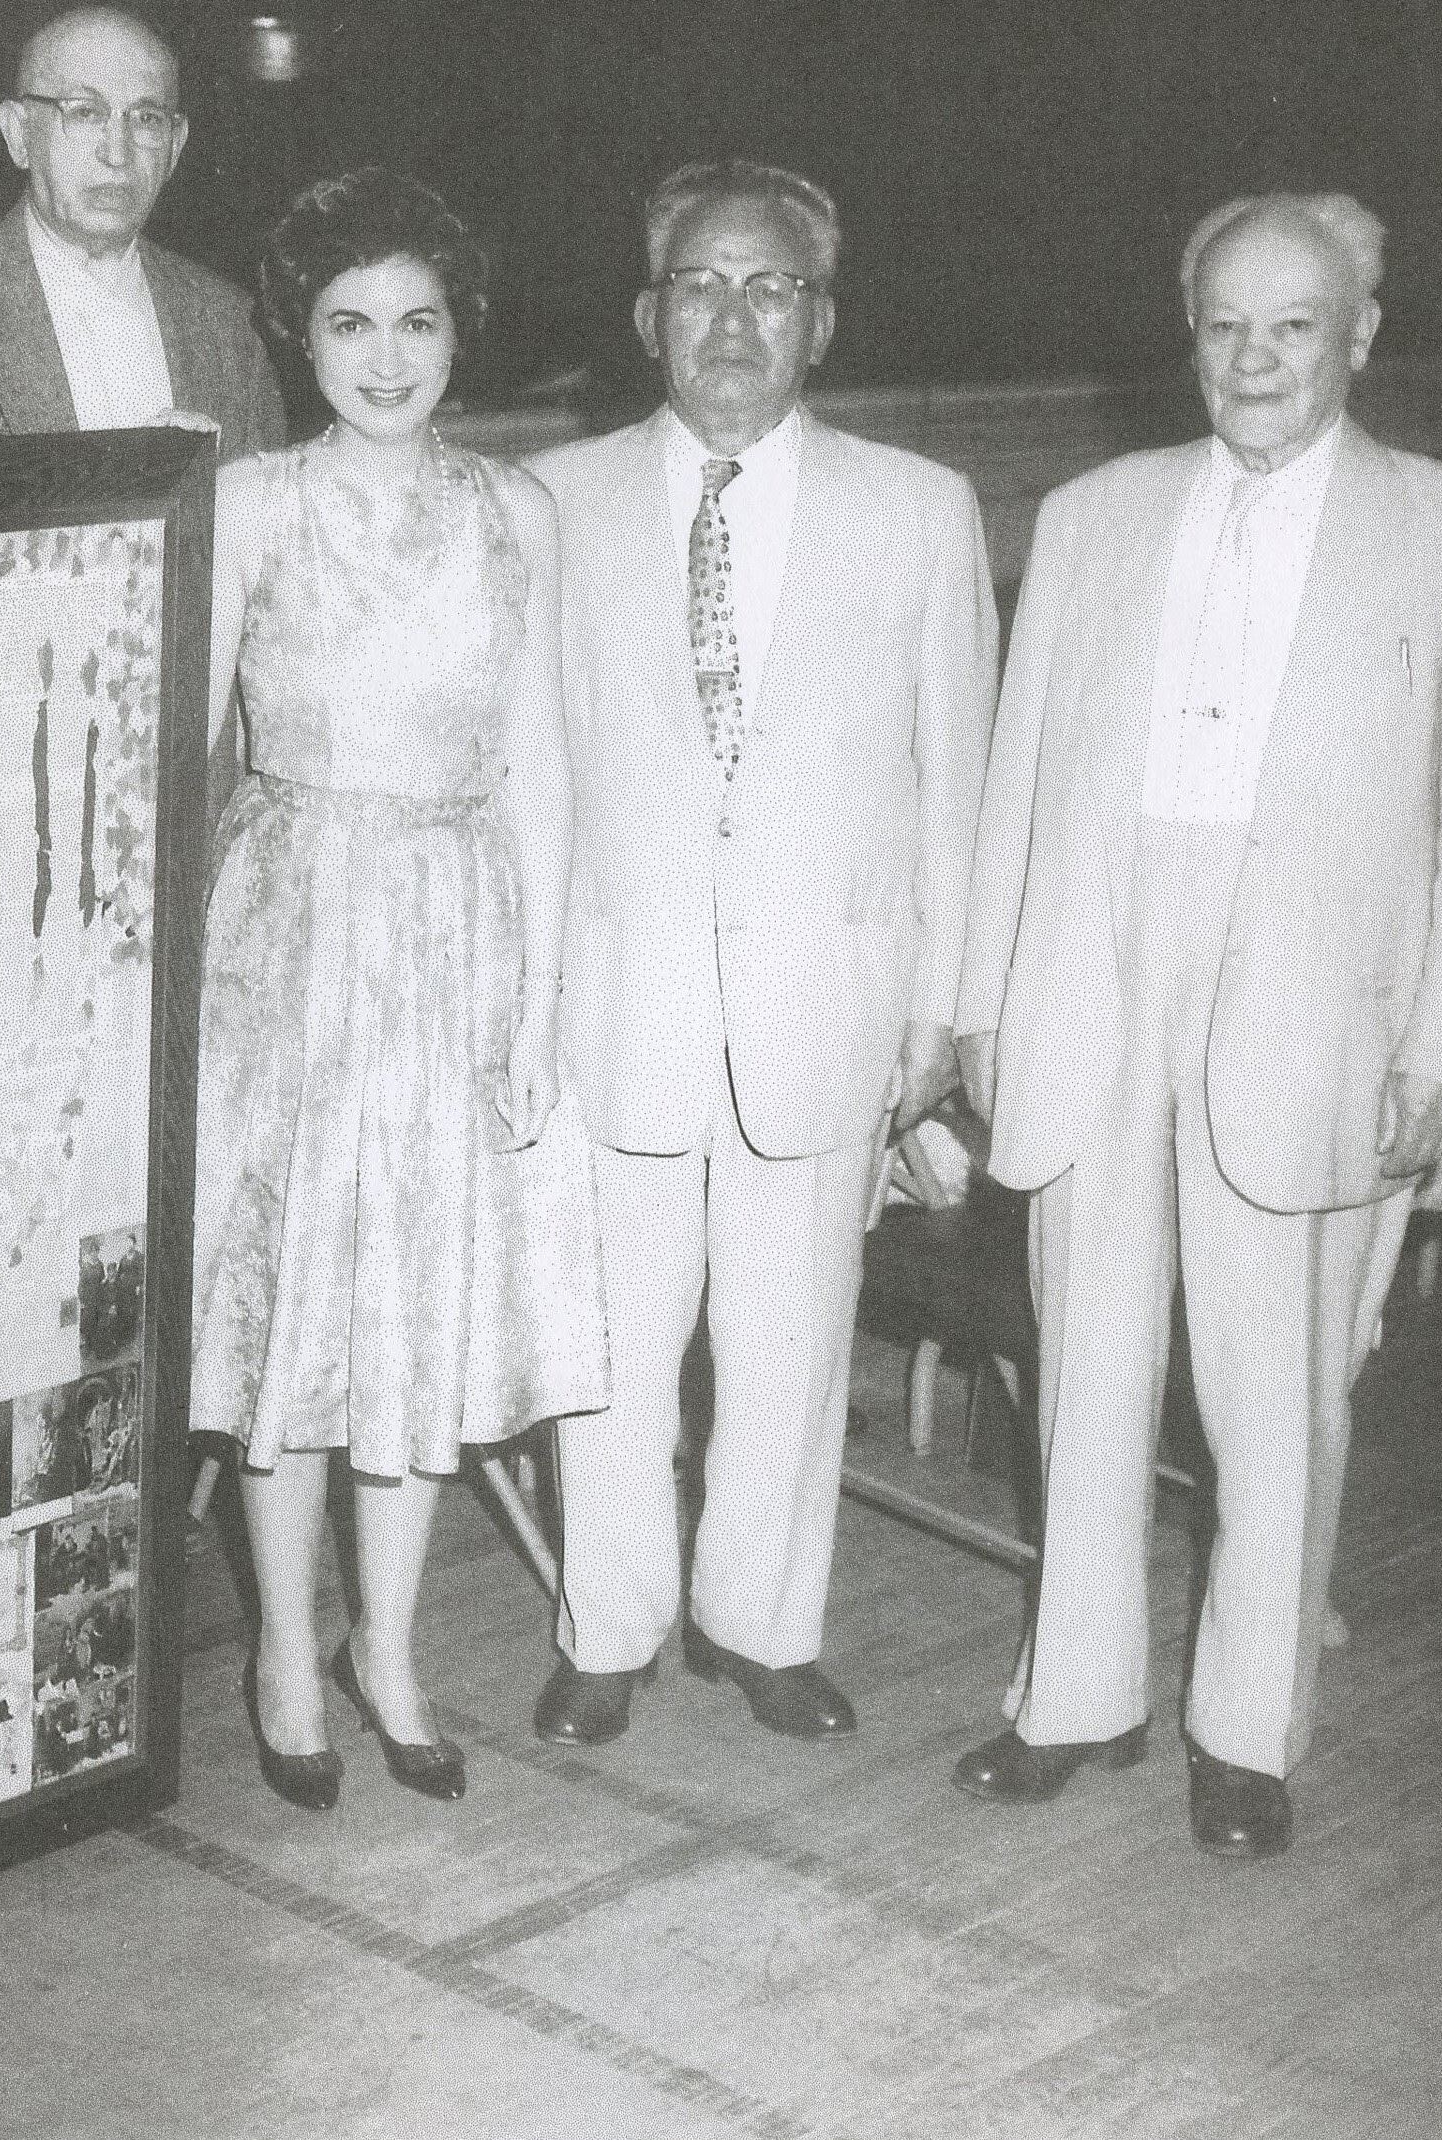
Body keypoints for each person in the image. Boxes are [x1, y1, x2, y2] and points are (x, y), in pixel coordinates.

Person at [950, 193, 1442, 1858]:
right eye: (1224, 323)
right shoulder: (1086, 514)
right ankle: (1068, 1696)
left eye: (1293, 324)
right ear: (1185, 330)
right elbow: (1012, 780)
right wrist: (987, 991)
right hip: (1095, 967)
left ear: (1357, 333)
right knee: (1087, 1358)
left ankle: (1245, 1731)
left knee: (1272, 1382)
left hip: (1306, 999)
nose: (1253, 356)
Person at [528, 161, 996, 1750]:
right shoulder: (553, 504)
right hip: (616, 1002)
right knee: (609, 1349)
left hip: (828, 1010)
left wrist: (943, 1007)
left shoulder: (920, 511)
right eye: (704, 288)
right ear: (651, 317)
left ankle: (763, 1625)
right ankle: (609, 1624)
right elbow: (525, 781)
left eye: (771, 287)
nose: (734, 316)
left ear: (822, 322)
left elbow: (960, 783)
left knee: (792, 1340)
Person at [194, 168, 608, 1811]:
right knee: (292, 1300)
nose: (384, 354)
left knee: (415, 1309)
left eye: (416, 321)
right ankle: (285, 1651)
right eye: (349, 322)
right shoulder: (248, 503)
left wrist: (539, 993)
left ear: (459, 334)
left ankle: (390, 1646)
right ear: (299, 336)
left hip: (453, 926)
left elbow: (547, 765)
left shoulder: (519, 514)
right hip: (288, 926)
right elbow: (187, 747)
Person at [0, 6, 285, 459]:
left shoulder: (227, 325)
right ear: (18, 134)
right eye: (85, 113)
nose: (117, 152)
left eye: (146, 118)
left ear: (176, 146)